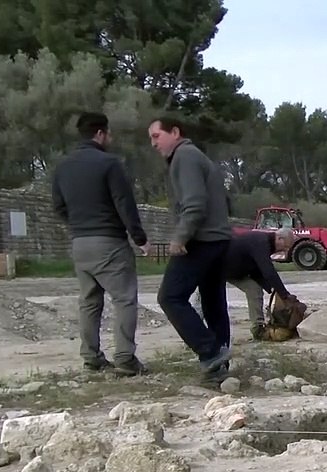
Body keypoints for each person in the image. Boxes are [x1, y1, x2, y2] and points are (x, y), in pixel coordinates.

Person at [51, 112, 149, 376]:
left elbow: (58, 206)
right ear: (100, 134)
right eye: (109, 133)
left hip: (80, 243)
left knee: (89, 302)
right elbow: (124, 204)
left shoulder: (63, 167)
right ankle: (125, 358)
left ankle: (91, 356)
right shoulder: (109, 164)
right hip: (109, 242)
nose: (110, 138)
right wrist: (140, 238)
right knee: (125, 299)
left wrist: (78, 225)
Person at [148, 116, 233, 382]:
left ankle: (209, 352)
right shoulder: (198, 157)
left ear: (175, 132)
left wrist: (180, 237)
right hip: (219, 239)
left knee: (170, 297)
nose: (153, 143)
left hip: (202, 239)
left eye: (156, 136)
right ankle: (218, 366)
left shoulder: (184, 156)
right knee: (213, 302)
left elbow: (195, 204)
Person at [224, 228, 298, 340]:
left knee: (254, 290)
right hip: (219, 268)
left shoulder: (266, 244)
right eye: (285, 247)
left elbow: (256, 269)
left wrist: (271, 288)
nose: (284, 251)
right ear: (279, 238)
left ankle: (258, 329)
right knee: (206, 302)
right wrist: (284, 294)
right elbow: (268, 270)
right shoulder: (261, 241)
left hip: (237, 271)